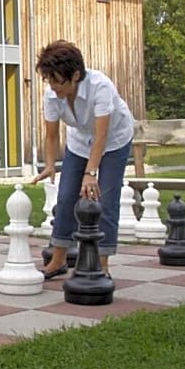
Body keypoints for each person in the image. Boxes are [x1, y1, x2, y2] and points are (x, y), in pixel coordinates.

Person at [31, 40, 134, 279]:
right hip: (79, 142)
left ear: (75, 74)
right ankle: (58, 260)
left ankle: (102, 264)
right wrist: (49, 164)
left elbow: (102, 135)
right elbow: (52, 134)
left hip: (114, 141)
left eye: (58, 80)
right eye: (49, 79)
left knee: (104, 200)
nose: (53, 86)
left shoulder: (101, 87)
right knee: (66, 196)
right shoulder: (52, 95)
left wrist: (90, 174)